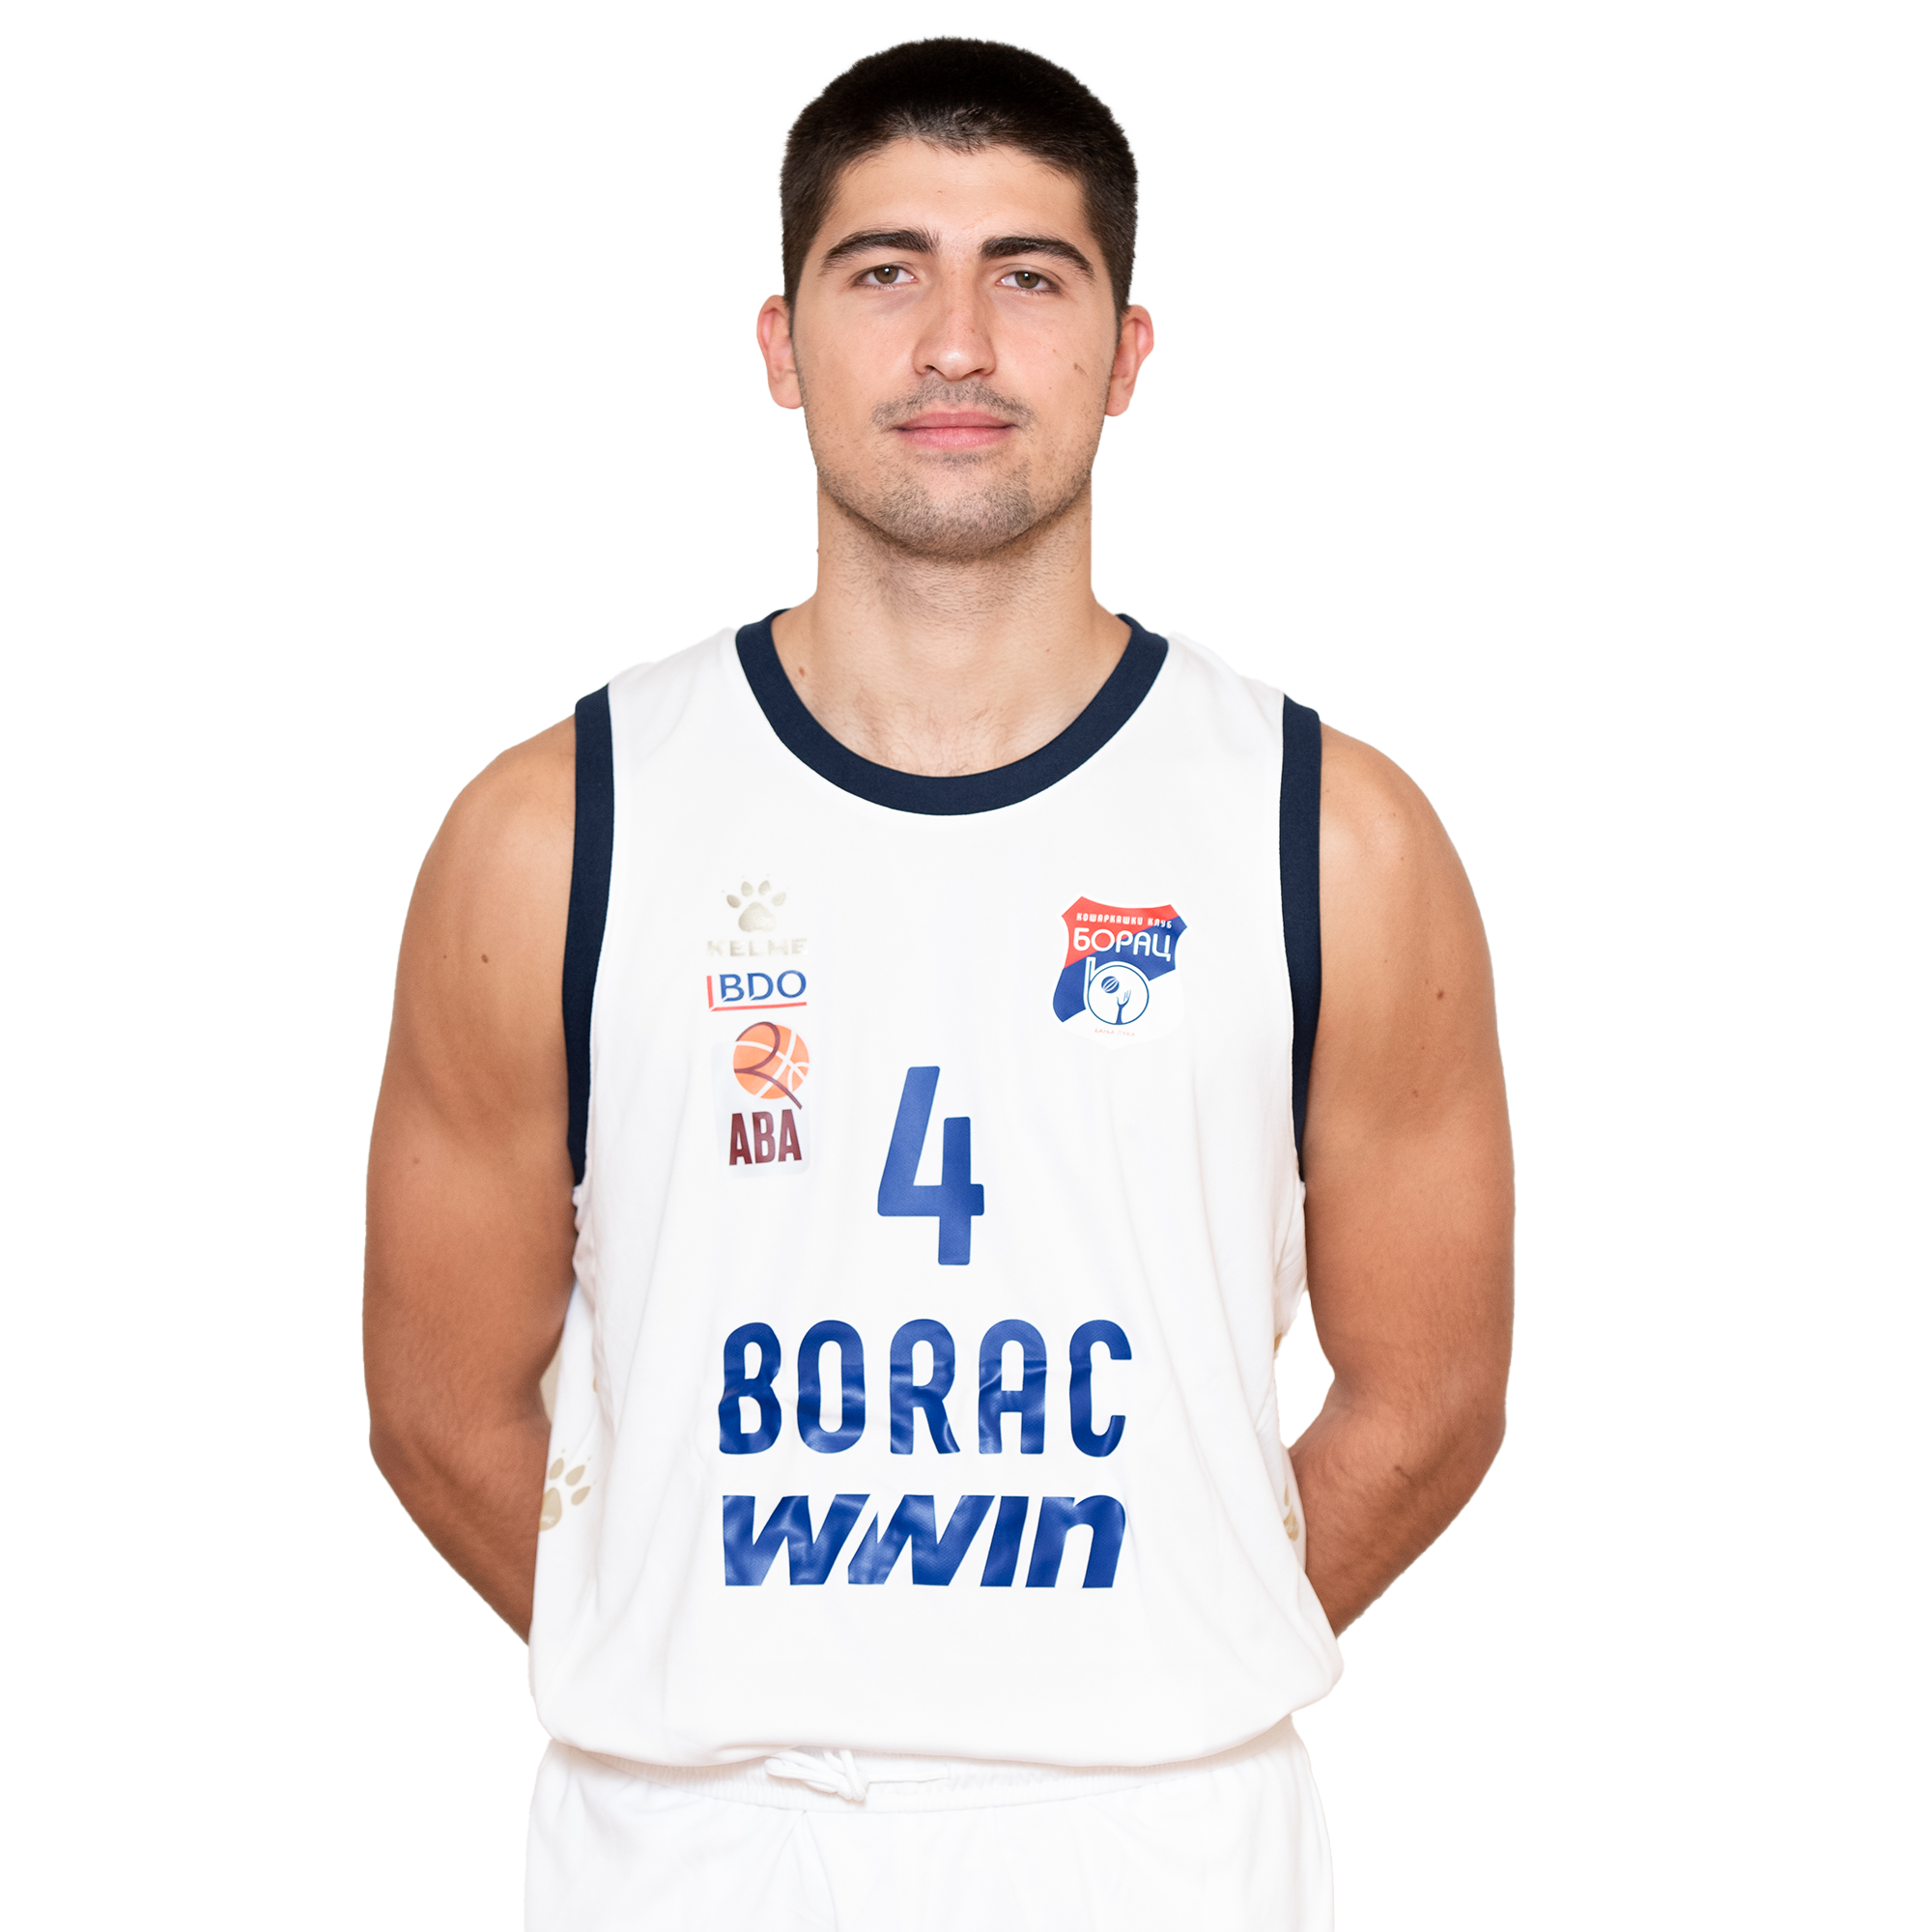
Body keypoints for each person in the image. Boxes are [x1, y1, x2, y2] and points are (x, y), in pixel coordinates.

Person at [364, 35, 1513, 1932]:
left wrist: (1154, 1658)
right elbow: (433, 1398)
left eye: (1030, 277)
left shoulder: (1330, 835)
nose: (957, 342)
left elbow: (1436, 1392)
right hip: (693, 1842)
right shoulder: (552, 831)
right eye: (885, 270)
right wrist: (688, 1659)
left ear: (1125, 354)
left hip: (1156, 1839)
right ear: (781, 341)